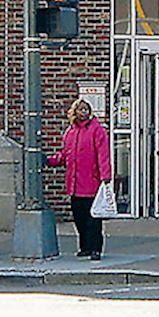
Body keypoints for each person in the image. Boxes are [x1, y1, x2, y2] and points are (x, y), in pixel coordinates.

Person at [49, 97, 114, 260]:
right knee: (79, 217)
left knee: (93, 218)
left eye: (86, 109)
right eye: (81, 109)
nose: (83, 112)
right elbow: (65, 155)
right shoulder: (70, 132)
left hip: (91, 181)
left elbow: (103, 154)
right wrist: (51, 160)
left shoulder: (97, 130)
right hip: (75, 183)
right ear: (75, 111)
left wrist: (105, 176)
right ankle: (84, 246)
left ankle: (95, 249)